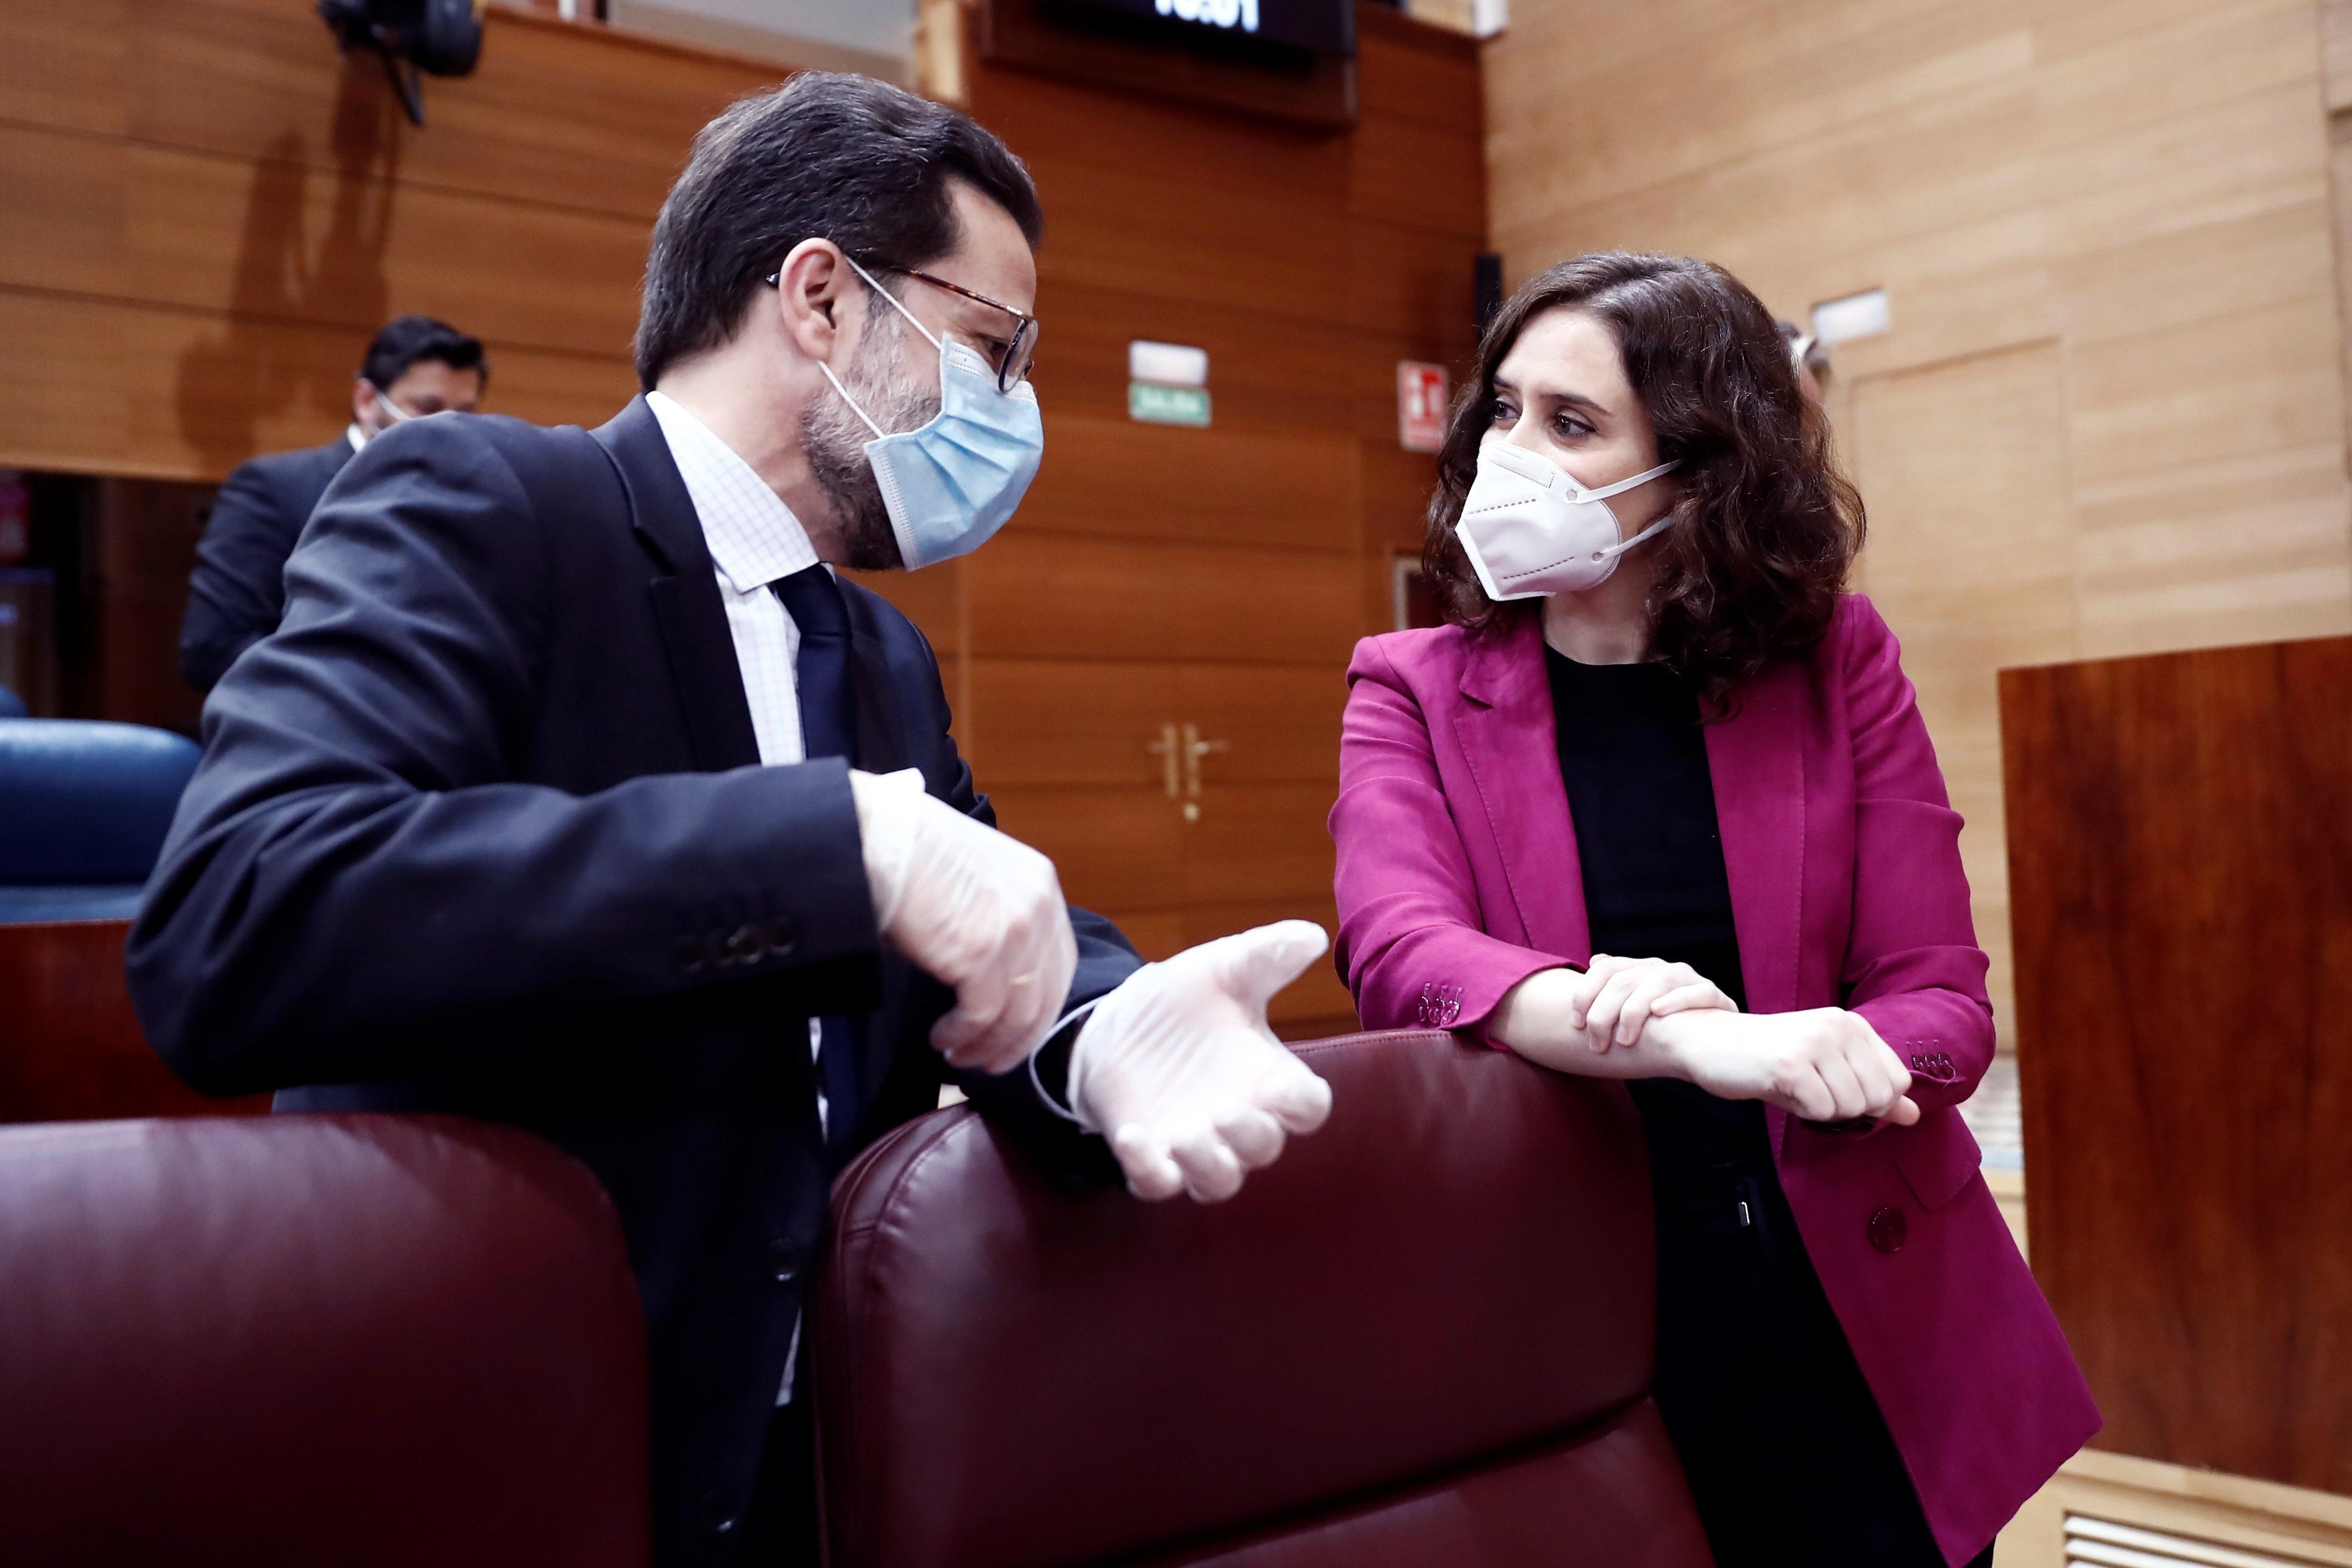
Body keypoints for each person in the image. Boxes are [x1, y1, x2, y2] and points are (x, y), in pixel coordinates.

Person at [128, 75, 1332, 1568]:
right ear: (823, 299)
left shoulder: (880, 653)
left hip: (800, 1455)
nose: (1014, 415)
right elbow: (243, 916)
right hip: (503, 1449)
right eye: (990, 349)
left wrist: (1098, 1031)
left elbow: (977, 906)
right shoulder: (490, 500)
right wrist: (831, 849)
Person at [1329, 252, 2097, 1567]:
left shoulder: (1835, 661)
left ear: (1698, 470)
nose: (1510, 453)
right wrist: (1673, 1031)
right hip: (1575, 1303)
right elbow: (1401, 947)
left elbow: (1938, 996)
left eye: (1570, 424)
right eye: (1503, 410)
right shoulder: (1408, 682)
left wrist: (1852, 1055)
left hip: (1849, 1296)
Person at [177, 314, 488, 690]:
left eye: (465, 415)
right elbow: (214, 646)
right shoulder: (274, 489)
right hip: (309, 733)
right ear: (368, 400)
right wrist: (365, 694)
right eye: (427, 408)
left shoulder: (476, 506)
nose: (449, 430)